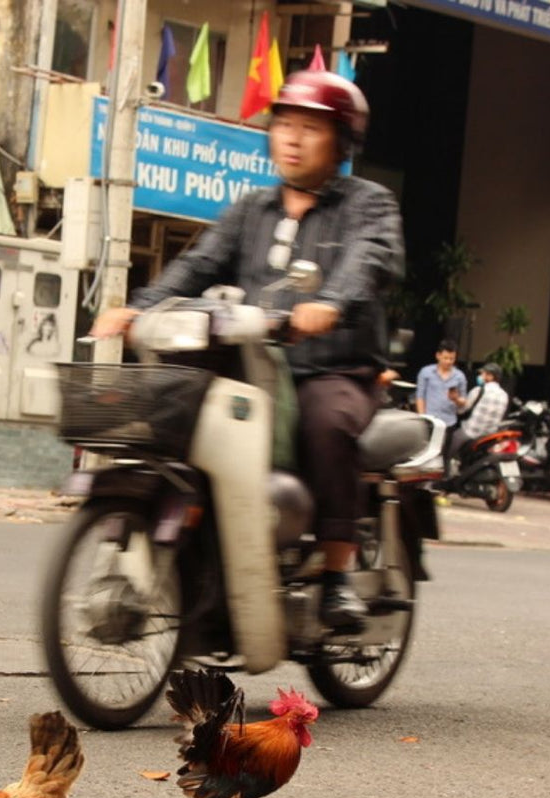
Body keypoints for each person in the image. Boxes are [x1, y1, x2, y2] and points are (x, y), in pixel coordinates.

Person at [91, 70, 404, 631]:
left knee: (325, 425)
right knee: (178, 421)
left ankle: (336, 575)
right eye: (285, 125)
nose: (292, 138)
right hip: (251, 370)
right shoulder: (251, 208)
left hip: (330, 369)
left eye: (310, 128)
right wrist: (141, 307)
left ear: (342, 142)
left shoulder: (368, 204)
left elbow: (371, 259)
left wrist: (330, 304)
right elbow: (198, 264)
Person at [446, 361, 510, 460]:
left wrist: (455, 400)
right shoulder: (504, 395)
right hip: (489, 437)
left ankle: (446, 470)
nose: (480, 376)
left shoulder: (478, 391)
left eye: (482, 374)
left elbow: (461, 410)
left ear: (490, 376)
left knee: (450, 446)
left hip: (470, 433)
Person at [415, 340, 468, 426]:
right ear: (438, 356)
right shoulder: (426, 372)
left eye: (452, 359)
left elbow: (464, 401)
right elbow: (420, 396)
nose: (448, 361)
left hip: (449, 421)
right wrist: (422, 417)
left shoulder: (460, 376)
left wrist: (456, 399)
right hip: (429, 419)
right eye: (446, 358)